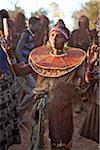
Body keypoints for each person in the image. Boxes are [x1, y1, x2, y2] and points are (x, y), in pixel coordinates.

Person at [0, 9, 20, 150]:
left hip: (8, 85)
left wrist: (11, 53)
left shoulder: (4, 40)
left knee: (6, 122)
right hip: (2, 88)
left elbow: (11, 65)